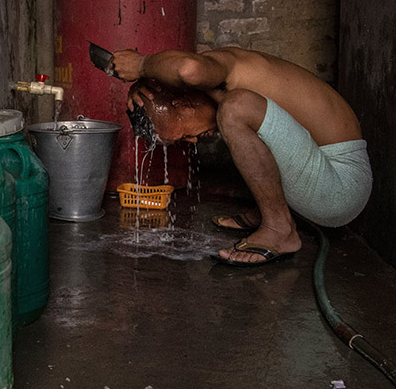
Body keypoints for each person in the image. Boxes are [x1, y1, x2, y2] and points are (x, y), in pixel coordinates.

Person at [110, 47, 372, 267]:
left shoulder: (224, 71)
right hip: (325, 177)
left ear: (183, 104)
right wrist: (144, 84)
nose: (191, 142)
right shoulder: (219, 78)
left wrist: (142, 65)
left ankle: (279, 229)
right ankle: (270, 210)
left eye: (183, 136)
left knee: (236, 108)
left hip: (340, 186)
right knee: (238, 111)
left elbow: (187, 70)